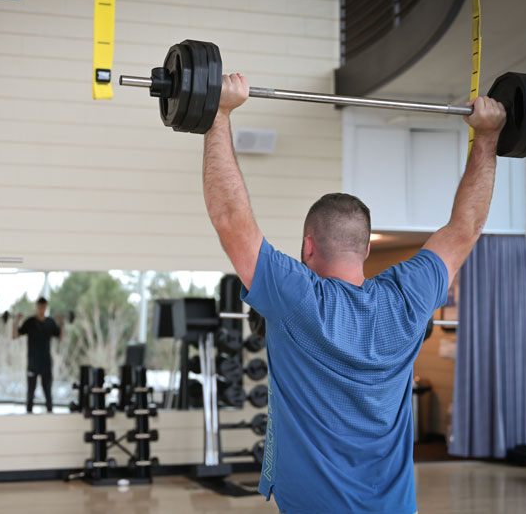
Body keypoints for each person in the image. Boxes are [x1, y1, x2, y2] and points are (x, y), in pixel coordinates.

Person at [201, 73, 505, 513]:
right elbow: (467, 227)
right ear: (365, 249)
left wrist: (218, 114)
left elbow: (231, 219)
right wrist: (488, 137)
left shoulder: (297, 299)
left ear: (308, 247)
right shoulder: (407, 299)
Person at [13, 297, 63, 413]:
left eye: (44, 307)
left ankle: (50, 415)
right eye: (40, 307)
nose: (41, 309)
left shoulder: (50, 322)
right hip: (33, 363)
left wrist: (61, 322)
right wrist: (16, 321)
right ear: (37, 307)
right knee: (30, 393)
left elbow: (60, 337)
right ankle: (28, 415)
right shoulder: (30, 322)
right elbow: (15, 335)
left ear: (46, 307)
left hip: (46, 363)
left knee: (48, 393)